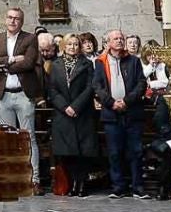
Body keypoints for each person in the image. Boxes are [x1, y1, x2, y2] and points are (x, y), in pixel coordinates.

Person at [0, 7, 41, 178]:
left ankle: (33, 178)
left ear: (21, 21)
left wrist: (4, 66)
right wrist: (12, 59)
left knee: (28, 137)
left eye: (17, 18)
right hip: (3, 94)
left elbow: (28, 63)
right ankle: (13, 178)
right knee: (8, 139)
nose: (13, 21)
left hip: (23, 94)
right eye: (10, 17)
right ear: (5, 19)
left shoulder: (30, 38)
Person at [95, 30, 149, 197]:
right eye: (116, 39)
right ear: (108, 43)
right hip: (111, 114)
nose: (119, 41)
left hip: (132, 112)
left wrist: (127, 101)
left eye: (121, 38)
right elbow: (97, 86)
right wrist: (112, 103)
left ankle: (137, 186)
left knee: (136, 151)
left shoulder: (133, 61)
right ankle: (118, 186)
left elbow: (141, 83)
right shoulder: (100, 62)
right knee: (114, 152)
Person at [47, 31, 101, 196]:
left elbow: (89, 87)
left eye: (76, 44)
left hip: (82, 113)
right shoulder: (55, 65)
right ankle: (71, 183)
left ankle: (81, 183)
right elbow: (52, 90)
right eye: (69, 44)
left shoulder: (86, 64)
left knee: (82, 152)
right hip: (63, 114)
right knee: (67, 152)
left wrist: (76, 107)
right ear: (64, 46)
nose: (73, 47)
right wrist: (65, 107)